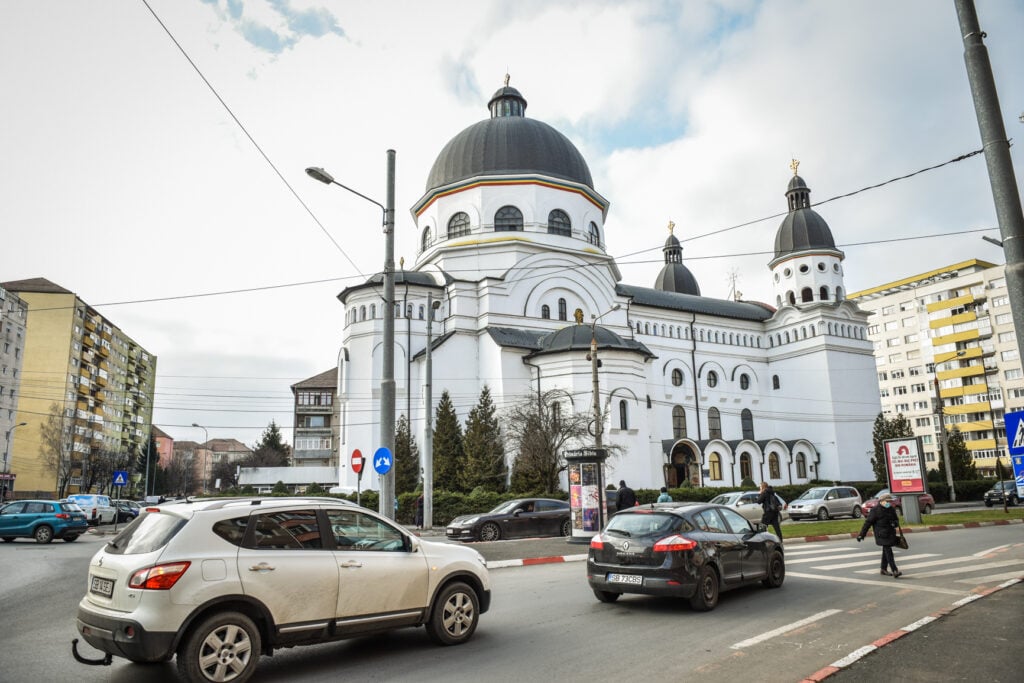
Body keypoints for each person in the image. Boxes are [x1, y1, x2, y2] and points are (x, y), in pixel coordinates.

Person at [858, 492, 903, 578]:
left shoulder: (891, 509)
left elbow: (896, 520)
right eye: (887, 501)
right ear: (882, 501)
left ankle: (883, 569)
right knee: (888, 551)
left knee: (885, 551)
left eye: (890, 501)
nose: (889, 503)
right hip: (881, 534)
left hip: (890, 533)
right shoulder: (875, 510)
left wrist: (895, 523)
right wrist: (861, 535)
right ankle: (895, 570)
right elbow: (868, 523)